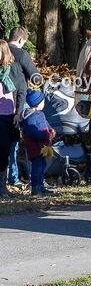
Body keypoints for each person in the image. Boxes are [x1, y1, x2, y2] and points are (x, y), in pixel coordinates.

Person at [6, 27, 38, 189]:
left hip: (3, 100)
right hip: (17, 100)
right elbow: (34, 75)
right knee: (24, 139)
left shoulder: (2, 51)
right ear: (20, 39)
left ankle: (7, 177)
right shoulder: (21, 54)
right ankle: (21, 176)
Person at [0, 41, 27, 198]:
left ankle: (2, 186)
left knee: (4, 151)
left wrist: (18, 112)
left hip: (8, 116)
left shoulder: (14, 69)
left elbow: (22, 91)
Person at [21, 90, 55, 196]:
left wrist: (51, 130)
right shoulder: (30, 117)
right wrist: (46, 135)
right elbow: (33, 132)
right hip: (35, 147)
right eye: (43, 101)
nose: (44, 103)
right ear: (38, 104)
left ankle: (41, 185)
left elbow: (46, 124)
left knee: (42, 166)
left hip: (43, 146)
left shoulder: (40, 114)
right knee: (37, 167)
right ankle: (35, 187)